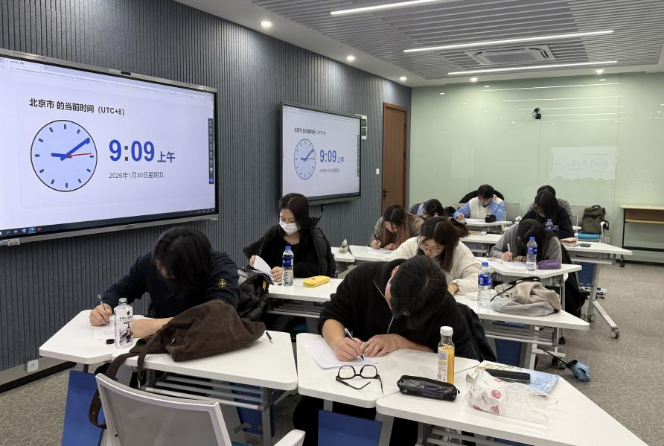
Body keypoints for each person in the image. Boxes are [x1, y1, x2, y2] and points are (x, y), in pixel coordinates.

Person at [293, 256, 481, 446]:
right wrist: (338, 342)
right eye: (392, 303)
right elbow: (331, 315)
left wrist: (401, 343)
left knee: (397, 432)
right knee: (309, 412)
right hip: (356, 379)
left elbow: (462, 361)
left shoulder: (441, 303)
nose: (396, 314)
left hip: (403, 396)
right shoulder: (363, 277)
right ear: (395, 271)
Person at [89, 227, 239, 337]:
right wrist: (104, 306)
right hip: (161, 342)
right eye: (159, 265)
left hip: (203, 343)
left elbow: (219, 314)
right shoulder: (152, 261)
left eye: (169, 270)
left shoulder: (220, 267)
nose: (161, 270)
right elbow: (120, 290)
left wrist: (155, 325)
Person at [244, 193, 335, 282]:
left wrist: (290, 271)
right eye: (282, 219)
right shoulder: (273, 234)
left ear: (302, 219)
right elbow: (261, 256)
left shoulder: (314, 238)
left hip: (305, 289)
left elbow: (317, 269)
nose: (286, 223)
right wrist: (255, 262)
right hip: (275, 287)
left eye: (292, 221)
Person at [386, 217, 480, 295]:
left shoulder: (459, 251)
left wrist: (455, 286)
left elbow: (477, 278)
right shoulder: (412, 244)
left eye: (435, 248)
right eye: (425, 245)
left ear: (447, 246)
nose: (427, 252)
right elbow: (387, 263)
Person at [490, 219, 562, 263]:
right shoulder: (512, 232)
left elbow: (555, 268)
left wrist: (532, 260)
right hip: (513, 276)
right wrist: (502, 255)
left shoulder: (552, 241)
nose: (521, 244)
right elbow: (494, 250)